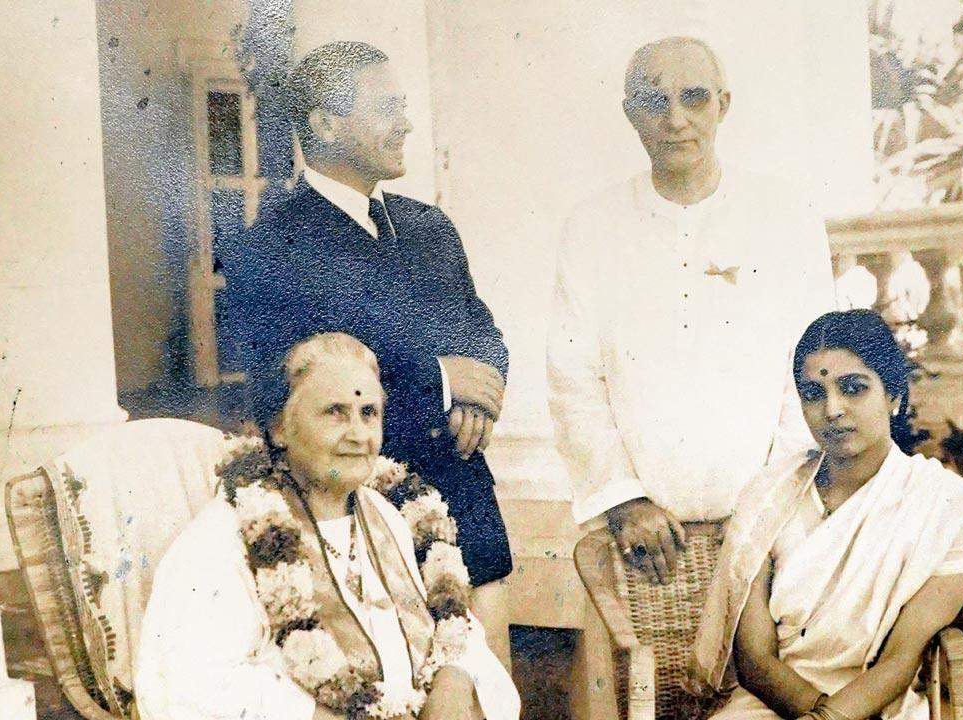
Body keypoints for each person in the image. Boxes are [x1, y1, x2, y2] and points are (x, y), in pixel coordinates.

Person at [216, 41, 513, 662]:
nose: (406, 122)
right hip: (361, 527)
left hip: (468, 511)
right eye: (386, 108)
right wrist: (440, 384)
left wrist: (476, 400)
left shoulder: (429, 226)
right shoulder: (270, 248)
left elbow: (481, 332)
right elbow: (291, 399)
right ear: (323, 123)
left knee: (489, 687)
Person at [547, 36, 834, 583]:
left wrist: (775, 499)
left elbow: (817, 369)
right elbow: (573, 381)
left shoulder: (786, 216)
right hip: (645, 540)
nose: (676, 119)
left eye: (694, 97)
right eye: (655, 102)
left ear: (723, 105)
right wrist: (625, 501)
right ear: (631, 114)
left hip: (780, 525)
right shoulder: (591, 229)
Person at [136, 333, 519, 720]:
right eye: (335, 412)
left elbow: (455, 627)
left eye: (368, 413)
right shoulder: (225, 539)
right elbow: (189, 687)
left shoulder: (393, 515)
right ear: (279, 427)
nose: (357, 435)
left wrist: (454, 682)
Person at [690, 310, 963, 720]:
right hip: (770, 704)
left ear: (894, 397)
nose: (832, 409)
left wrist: (831, 718)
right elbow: (755, 660)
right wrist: (815, 713)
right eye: (814, 393)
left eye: (853, 388)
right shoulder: (769, 495)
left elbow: (900, 660)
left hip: (878, 706)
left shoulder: (945, 504)